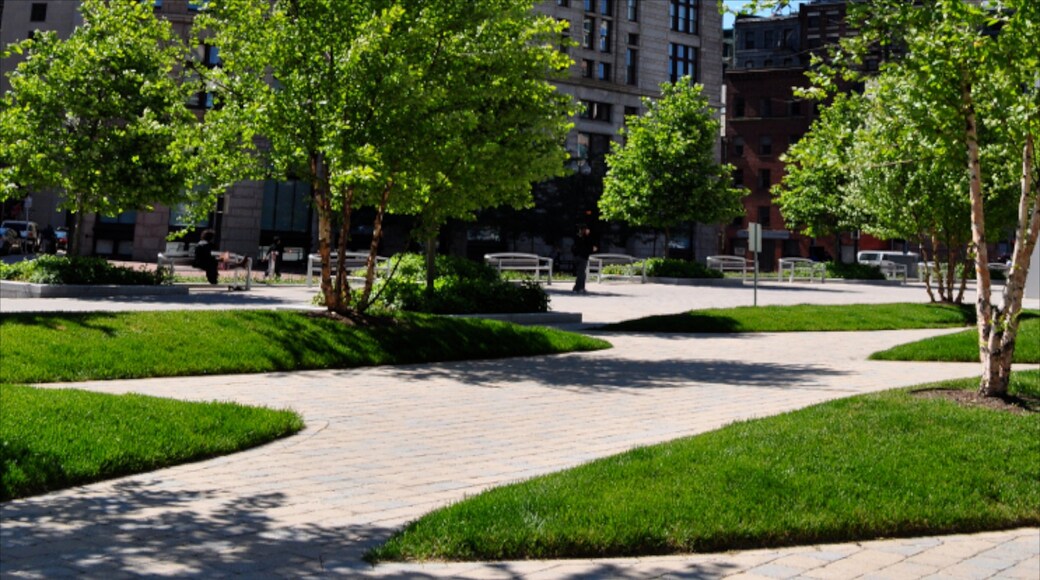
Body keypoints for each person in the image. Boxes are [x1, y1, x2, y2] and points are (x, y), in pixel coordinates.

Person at [571, 225, 597, 294]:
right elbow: (585, 246)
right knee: (581, 273)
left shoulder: (580, 237)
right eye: (585, 229)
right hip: (581, 256)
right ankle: (578, 288)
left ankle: (579, 287)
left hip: (581, 256)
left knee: (582, 273)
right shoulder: (581, 237)